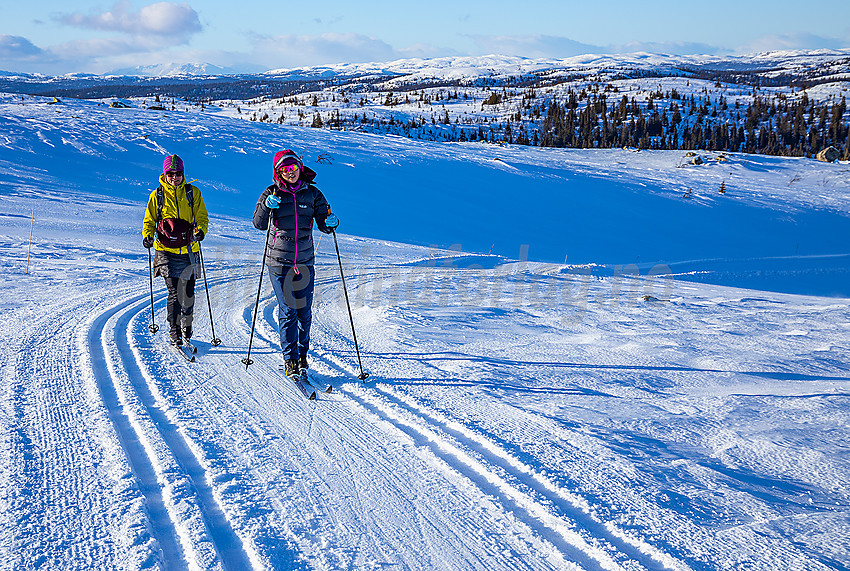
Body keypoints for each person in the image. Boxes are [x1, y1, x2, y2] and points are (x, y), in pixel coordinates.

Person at [253, 149, 338, 377]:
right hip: (279, 261)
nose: (291, 173)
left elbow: (323, 222)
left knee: (304, 312)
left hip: (305, 260)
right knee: (288, 309)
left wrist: (330, 223)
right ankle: (290, 359)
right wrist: (266, 206)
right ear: (278, 172)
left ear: (300, 168)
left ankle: (302, 356)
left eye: (294, 168)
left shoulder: (313, 193)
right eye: (286, 170)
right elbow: (258, 224)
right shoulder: (271, 192)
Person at [142, 154, 209, 346]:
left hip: (189, 250)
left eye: (178, 173)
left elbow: (202, 218)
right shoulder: (157, 195)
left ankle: (186, 327)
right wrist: (147, 235)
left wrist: (200, 231)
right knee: (174, 292)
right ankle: (175, 331)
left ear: (183, 173)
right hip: (165, 250)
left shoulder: (192, 193)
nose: (174, 177)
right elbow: (149, 220)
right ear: (165, 174)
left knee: (187, 293)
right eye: (170, 173)